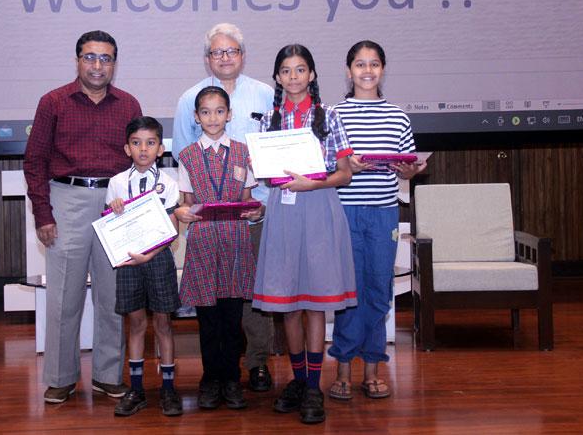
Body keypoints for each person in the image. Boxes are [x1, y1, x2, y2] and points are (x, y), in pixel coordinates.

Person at [23, 30, 140, 404]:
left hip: (115, 204)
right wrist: (43, 214)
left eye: (106, 58)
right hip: (66, 200)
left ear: (114, 64)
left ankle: (108, 375)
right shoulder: (53, 102)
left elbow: (140, 159)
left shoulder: (129, 105)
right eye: (90, 57)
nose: (97, 65)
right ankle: (60, 377)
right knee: (64, 296)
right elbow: (35, 161)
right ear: (77, 61)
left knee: (112, 297)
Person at [252, 44, 357, 425]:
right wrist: (274, 172)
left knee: (315, 303)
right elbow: (267, 176)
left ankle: (313, 386)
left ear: (311, 74)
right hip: (283, 213)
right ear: (277, 78)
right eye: (286, 70)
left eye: (300, 69)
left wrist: (312, 183)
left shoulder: (329, 116)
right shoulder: (269, 119)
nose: (293, 77)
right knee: (289, 304)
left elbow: (344, 174)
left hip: (319, 209)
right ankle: (297, 381)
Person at [172, 23, 275, 392]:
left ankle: (257, 363)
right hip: (208, 225)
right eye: (217, 52)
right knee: (216, 303)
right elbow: (185, 157)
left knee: (252, 295)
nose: (225, 57)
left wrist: (259, 207)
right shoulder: (188, 99)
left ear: (242, 55)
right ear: (207, 58)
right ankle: (218, 374)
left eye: (231, 51)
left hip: (256, 209)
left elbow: (277, 147)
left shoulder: (266, 94)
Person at [328, 40, 426, 401]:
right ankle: (342, 370)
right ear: (348, 70)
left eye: (373, 64)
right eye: (360, 64)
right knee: (347, 292)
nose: (367, 71)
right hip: (344, 212)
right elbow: (324, 165)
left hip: (384, 213)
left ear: (382, 69)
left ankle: (372, 369)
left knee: (378, 290)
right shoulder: (334, 114)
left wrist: (410, 170)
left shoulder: (398, 116)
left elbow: (407, 165)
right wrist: (346, 166)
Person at [174, 86, 264, 410]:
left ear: (230, 114)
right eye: (206, 112)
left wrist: (257, 211)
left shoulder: (243, 152)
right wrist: (182, 212)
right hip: (203, 244)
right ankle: (210, 379)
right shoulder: (187, 156)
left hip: (235, 242)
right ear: (196, 117)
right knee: (208, 319)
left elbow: (248, 200)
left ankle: (232, 379)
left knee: (231, 318)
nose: (213, 118)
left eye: (219, 111)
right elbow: (187, 202)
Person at [106, 116, 184, 417]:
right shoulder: (116, 183)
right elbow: (110, 225)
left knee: (163, 324)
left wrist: (150, 255)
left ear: (161, 149)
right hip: (128, 261)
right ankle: (136, 389)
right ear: (127, 148)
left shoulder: (169, 183)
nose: (143, 149)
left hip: (158, 259)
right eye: (136, 143)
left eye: (150, 143)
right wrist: (114, 210)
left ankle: (168, 388)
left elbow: (173, 229)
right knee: (136, 324)